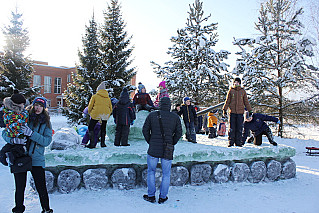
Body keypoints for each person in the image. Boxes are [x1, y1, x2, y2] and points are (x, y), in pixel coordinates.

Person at [2, 96, 53, 213]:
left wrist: (31, 133)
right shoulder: (23, 116)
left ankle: (46, 209)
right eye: (36, 105)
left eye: (41, 106)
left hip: (37, 158)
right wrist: (13, 140)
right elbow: (6, 132)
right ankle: (18, 210)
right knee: (20, 187)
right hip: (21, 157)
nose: (38, 108)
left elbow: (46, 141)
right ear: (33, 105)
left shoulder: (46, 122)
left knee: (41, 188)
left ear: (44, 108)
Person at [142, 97, 182, 204]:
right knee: (166, 174)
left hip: (153, 148)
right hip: (167, 149)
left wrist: (150, 141)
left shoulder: (152, 115)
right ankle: (163, 197)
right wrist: (172, 142)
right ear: (169, 105)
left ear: (160, 104)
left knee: (151, 171)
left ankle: (151, 196)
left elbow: (145, 130)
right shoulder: (175, 117)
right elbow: (179, 133)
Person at [0, 90, 29, 167]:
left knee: (10, 147)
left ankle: (4, 155)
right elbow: (16, 125)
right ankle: (8, 156)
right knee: (18, 148)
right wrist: (19, 136)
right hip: (17, 135)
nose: (23, 106)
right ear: (17, 104)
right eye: (22, 104)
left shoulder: (10, 111)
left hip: (13, 135)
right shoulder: (15, 114)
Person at [222, 77, 252, 147]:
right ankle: (231, 141)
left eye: (238, 82)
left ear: (240, 83)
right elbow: (227, 101)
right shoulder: (231, 91)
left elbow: (246, 102)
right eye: (235, 82)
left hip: (240, 113)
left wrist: (250, 110)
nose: (236, 83)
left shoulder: (242, 91)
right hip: (232, 112)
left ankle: (238, 142)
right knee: (232, 128)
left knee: (239, 128)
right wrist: (224, 109)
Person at [86, 82, 112, 148]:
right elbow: (110, 108)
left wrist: (90, 112)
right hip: (105, 114)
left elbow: (90, 106)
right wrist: (108, 114)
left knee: (91, 127)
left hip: (96, 114)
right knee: (103, 128)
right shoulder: (107, 98)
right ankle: (103, 143)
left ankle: (92, 144)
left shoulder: (95, 96)